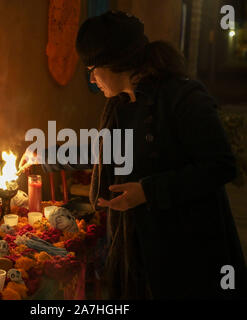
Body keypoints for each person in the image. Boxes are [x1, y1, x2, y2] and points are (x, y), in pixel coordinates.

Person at [19, 11, 247, 299]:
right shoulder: (123, 104)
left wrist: (148, 191)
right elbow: (107, 151)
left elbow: (221, 166)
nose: (91, 78)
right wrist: (45, 156)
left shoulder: (184, 98)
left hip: (186, 247)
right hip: (139, 247)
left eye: (92, 69)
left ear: (115, 63)